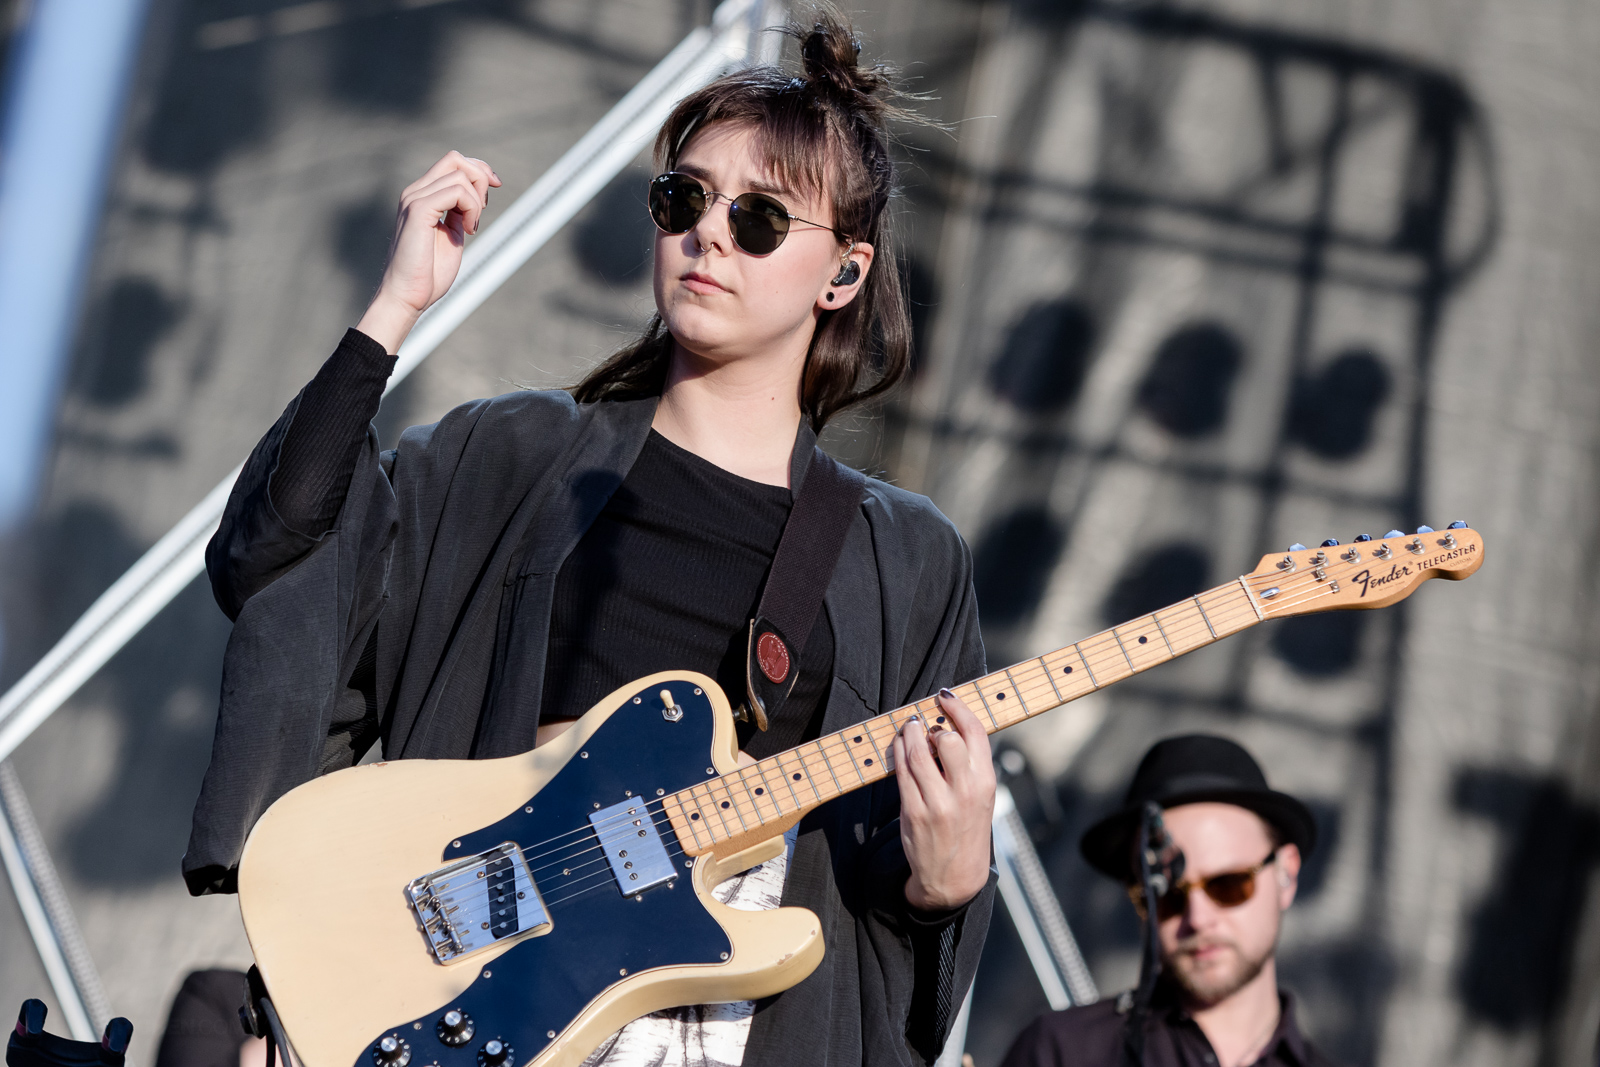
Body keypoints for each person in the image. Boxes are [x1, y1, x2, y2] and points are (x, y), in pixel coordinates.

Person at [182, 9, 996, 1067]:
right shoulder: (510, 457)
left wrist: (946, 883)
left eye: (759, 218)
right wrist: (392, 311)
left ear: (841, 275)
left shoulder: (907, 558)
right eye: (683, 198)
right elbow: (277, 555)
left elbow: (886, 910)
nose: (708, 231)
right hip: (476, 1002)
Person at [1000, 735, 1339, 1067]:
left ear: (1286, 874)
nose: (1198, 917)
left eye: (1228, 884)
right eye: (1164, 895)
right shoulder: (1061, 1052)